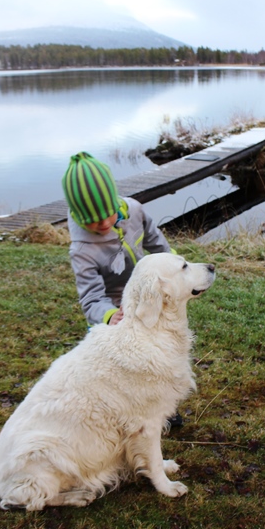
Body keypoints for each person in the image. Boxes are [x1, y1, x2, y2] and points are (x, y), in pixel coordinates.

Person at [62, 151, 183, 428]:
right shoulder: (81, 250)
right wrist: (109, 316)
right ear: (79, 217)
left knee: (163, 350)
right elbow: (92, 297)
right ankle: (123, 408)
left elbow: (157, 243)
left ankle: (165, 405)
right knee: (124, 365)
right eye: (93, 221)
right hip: (117, 307)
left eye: (107, 214)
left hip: (150, 293)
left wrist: (174, 268)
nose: (104, 224)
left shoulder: (135, 211)